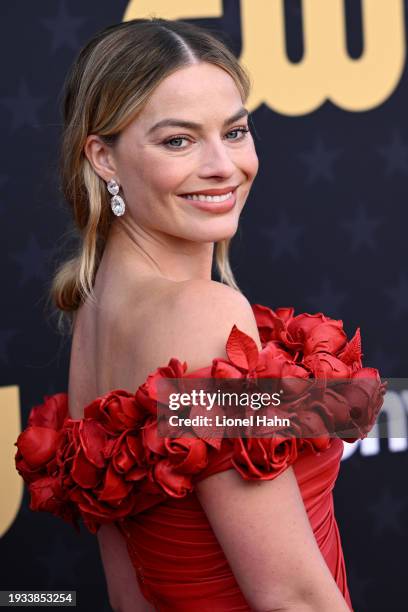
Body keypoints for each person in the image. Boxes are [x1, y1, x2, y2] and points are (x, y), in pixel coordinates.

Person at [14, 17, 385, 612]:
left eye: (234, 132)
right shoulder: (201, 312)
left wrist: (324, 404)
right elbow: (293, 598)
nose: (222, 166)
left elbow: (130, 593)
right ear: (103, 158)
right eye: (178, 141)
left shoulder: (98, 314)